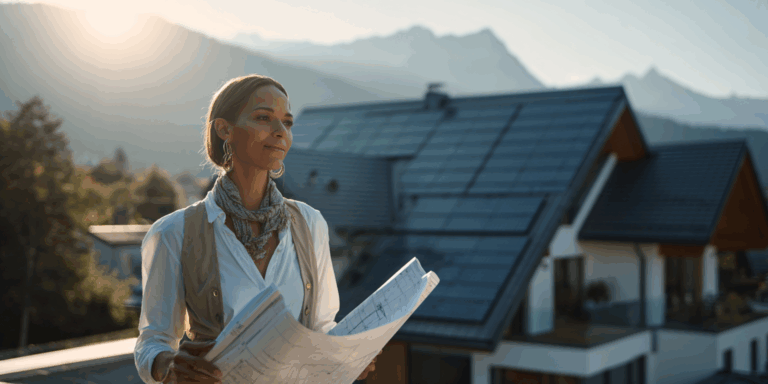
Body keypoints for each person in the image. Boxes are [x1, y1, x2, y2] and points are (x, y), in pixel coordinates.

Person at [133, 74, 379, 384]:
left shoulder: (309, 223)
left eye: (287, 123)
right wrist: (167, 364)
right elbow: (151, 341)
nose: (280, 132)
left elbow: (321, 327)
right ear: (225, 129)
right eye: (264, 118)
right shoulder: (173, 232)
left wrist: (349, 352)